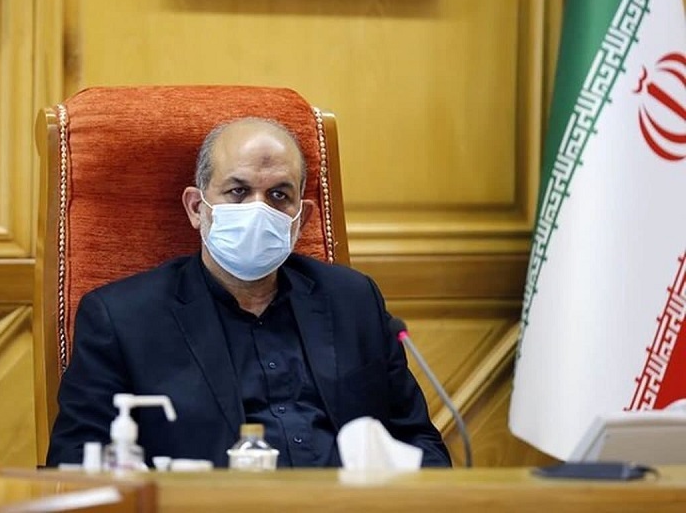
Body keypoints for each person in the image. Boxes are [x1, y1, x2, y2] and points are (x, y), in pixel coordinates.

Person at [46, 117, 451, 468]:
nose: (259, 209)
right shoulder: (122, 318)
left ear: (301, 218)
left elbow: (420, 443)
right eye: (238, 192)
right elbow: (76, 463)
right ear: (196, 208)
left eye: (279, 195)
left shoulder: (353, 301)